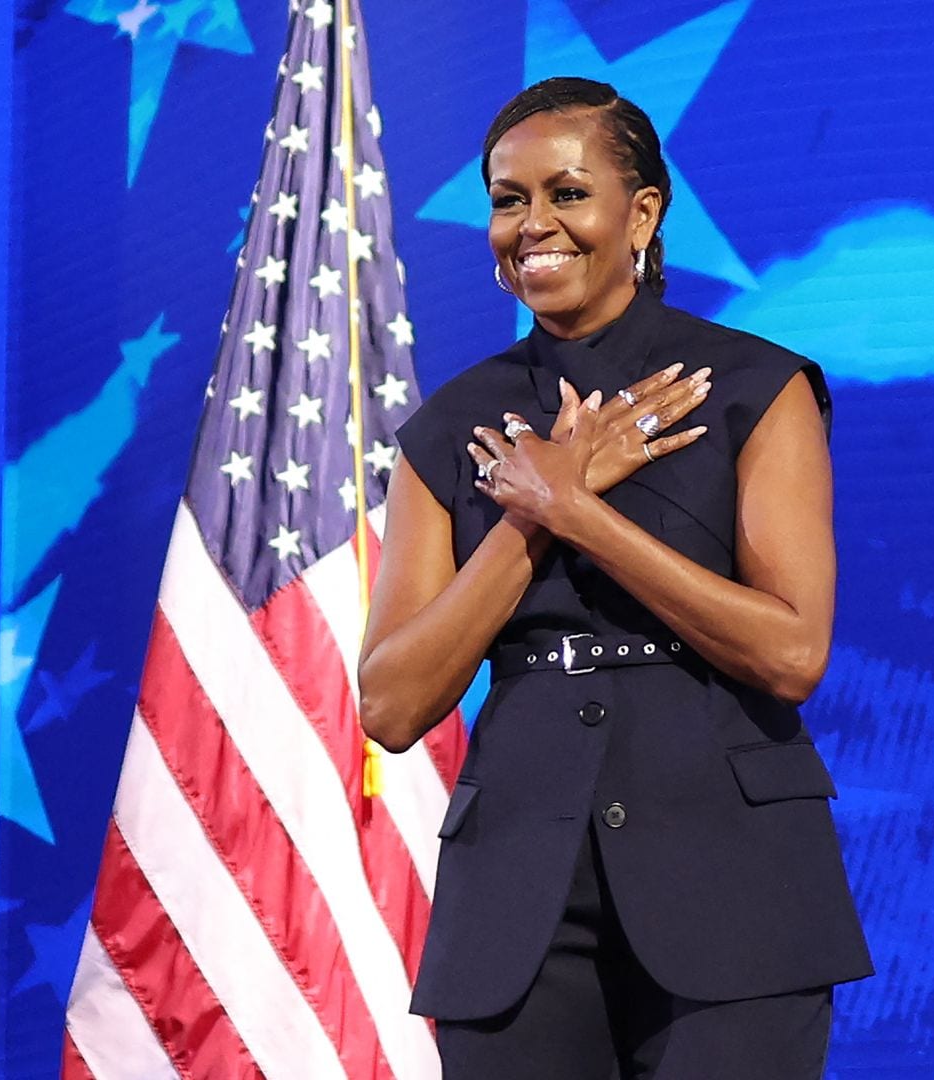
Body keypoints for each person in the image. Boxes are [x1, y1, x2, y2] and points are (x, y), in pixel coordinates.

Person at [359, 76, 872, 1079]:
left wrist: (579, 511)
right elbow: (390, 701)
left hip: (735, 882)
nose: (533, 224)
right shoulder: (446, 427)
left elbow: (792, 651)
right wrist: (530, 517)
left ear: (642, 212)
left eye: (566, 193)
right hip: (517, 900)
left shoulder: (757, 390)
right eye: (509, 200)